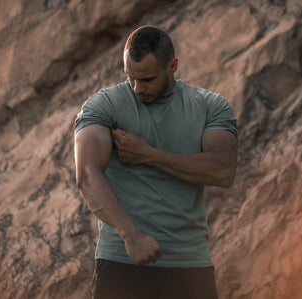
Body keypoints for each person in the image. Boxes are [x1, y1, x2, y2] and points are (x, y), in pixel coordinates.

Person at [74, 25, 238, 299]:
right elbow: (88, 176)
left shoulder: (210, 106)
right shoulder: (104, 105)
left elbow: (223, 171)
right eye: (130, 78)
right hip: (122, 263)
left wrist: (148, 155)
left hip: (189, 267)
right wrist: (131, 236)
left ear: (172, 66)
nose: (137, 88)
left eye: (147, 79)